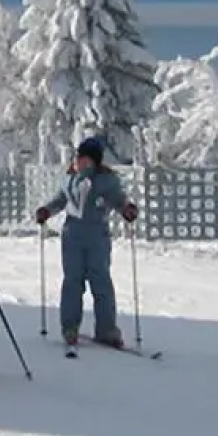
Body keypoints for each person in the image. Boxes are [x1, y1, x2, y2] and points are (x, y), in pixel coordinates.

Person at [33, 137, 139, 349]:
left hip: (97, 235)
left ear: (94, 161)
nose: (80, 162)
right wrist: (46, 211)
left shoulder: (106, 180)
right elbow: (59, 200)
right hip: (72, 236)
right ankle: (70, 327)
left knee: (100, 281)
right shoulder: (70, 180)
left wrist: (127, 209)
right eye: (79, 158)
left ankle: (107, 329)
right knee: (72, 281)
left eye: (85, 159)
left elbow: (118, 199)